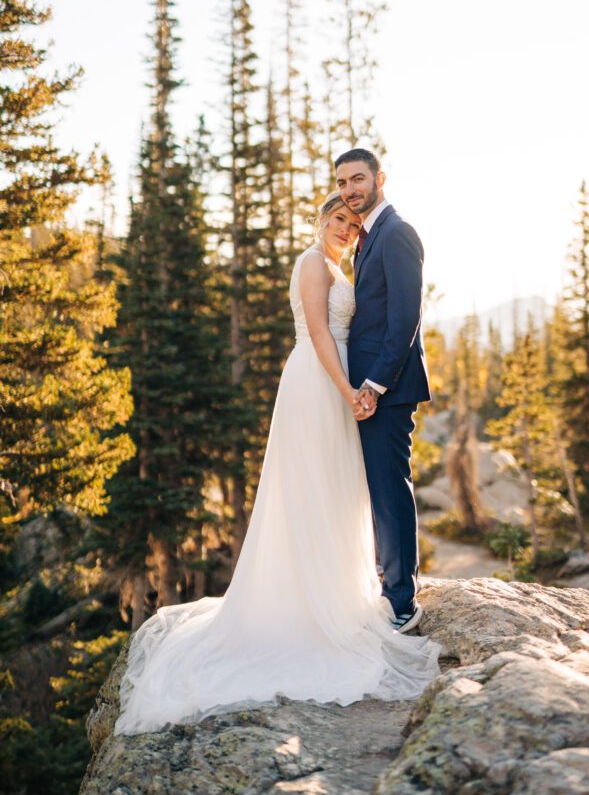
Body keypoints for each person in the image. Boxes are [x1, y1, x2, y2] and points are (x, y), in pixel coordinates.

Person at [113, 192, 441, 736]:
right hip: (318, 382)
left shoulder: (342, 266)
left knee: (336, 491)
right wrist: (349, 391)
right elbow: (317, 334)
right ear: (321, 220)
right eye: (338, 218)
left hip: (339, 385)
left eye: (354, 223)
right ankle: (306, 603)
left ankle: (337, 588)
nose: (346, 227)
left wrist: (357, 391)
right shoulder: (312, 264)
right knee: (311, 488)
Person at [335, 149, 430, 634]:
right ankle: (389, 579)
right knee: (377, 488)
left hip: (387, 387)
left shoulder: (396, 233)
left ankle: (402, 602)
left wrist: (374, 384)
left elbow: (405, 319)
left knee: (390, 489)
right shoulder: (366, 238)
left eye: (358, 178)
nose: (351, 189)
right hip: (369, 386)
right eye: (343, 182)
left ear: (380, 178)